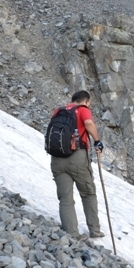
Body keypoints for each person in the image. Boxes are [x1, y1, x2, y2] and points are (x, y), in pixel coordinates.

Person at [49, 90, 105, 239]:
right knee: (88, 193)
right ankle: (94, 230)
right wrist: (97, 141)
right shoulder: (82, 110)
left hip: (57, 158)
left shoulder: (58, 111)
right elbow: (88, 122)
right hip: (77, 157)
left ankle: (72, 234)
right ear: (85, 101)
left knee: (65, 199)